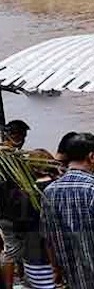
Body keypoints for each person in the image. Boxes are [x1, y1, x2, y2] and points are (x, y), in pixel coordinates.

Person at [41, 132, 94, 289]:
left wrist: (56, 269)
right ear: (92, 157)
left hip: (72, 278)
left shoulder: (48, 192)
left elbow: (49, 238)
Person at [18, 150, 59, 289]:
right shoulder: (57, 189)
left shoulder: (25, 192)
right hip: (54, 261)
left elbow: (21, 227)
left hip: (31, 259)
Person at [0, 120, 31, 289]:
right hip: (11, 213)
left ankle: (18, 277)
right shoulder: (9, 158)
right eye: (20, 136)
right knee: (12, 251)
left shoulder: (12, 156)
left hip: (10, 213)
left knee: (15, 249)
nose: (23, 139)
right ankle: (10, 284)